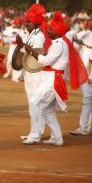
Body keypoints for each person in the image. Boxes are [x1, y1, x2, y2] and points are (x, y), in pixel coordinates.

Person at [23, 12, 88, 145]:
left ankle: (35, 135)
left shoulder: (59, 44)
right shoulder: (58, 43)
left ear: (58, 32)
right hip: (51, 78)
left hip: (53, 79)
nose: (49, 31)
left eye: (51, 29)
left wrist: (31, 51)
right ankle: (57, 138)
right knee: (47, 109)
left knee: (35, 102)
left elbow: (45, 61)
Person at [15, 4, 46, 144]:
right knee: (31, 103)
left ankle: (36, 133)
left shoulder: (39, 36)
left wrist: (22, 45)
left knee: (35, 103)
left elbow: (35, 54)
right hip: (29, 73)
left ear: (36, 22)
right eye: (26, 21)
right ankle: (34, 131)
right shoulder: (30, 35)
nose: (26, 23)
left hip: (35, 73)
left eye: (29, 21)